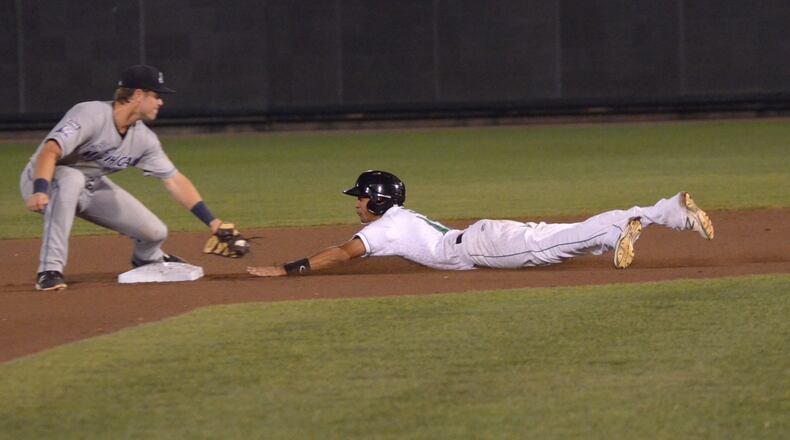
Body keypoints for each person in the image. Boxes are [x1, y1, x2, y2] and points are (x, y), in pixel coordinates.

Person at [247, 170, 714, 277]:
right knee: (556, 239)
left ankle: (626, 225)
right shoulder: (400, 217)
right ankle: (665, 211)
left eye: (362, 197)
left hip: (479, 247)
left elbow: (341, 252)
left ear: (379, 201)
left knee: (555, 244)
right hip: (482, 234)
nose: (357, 204)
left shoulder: (383, 227)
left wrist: (291, 267)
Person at [21, 64, 234, 291]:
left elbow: (175, 181)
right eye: (156, 95)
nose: (161, 102)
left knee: (155, 232)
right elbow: (50, 151)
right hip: (44, 178)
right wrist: (40, 189)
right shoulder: (90, 114)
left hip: (90, 186)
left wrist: (213, 222)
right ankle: (49, 270)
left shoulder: (144, 139)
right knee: (72, 178)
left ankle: (147, 258)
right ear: (138, 95)